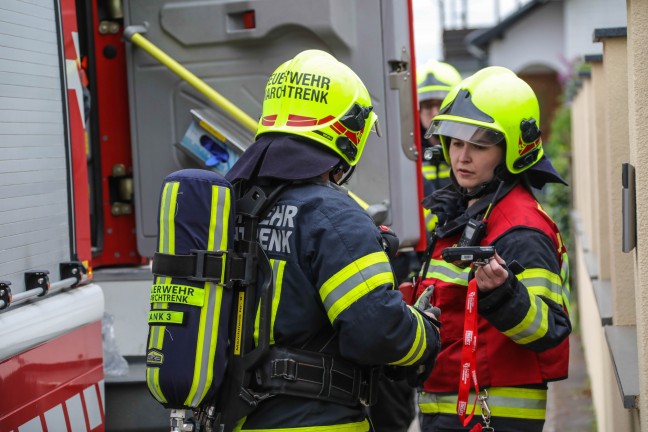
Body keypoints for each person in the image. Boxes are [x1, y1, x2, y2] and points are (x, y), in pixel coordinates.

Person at [224, 49, 441, 432]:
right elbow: (379, 333)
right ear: (348, 131)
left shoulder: (229, 208)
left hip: (235, 418)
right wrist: (425, 331)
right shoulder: (333, 216)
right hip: (316, 421)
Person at [411, 66, 572, 432]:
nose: (461, 157)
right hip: (451, 409)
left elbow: (549, 329)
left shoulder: (520, 227)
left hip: (490, 416)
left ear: (511, 151)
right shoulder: (472, 209)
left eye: (479, 146)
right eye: (455, 142)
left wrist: (503, 293)